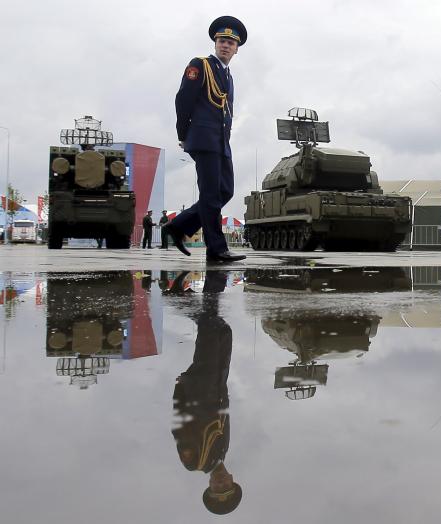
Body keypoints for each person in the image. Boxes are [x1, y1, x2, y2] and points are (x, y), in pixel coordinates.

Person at [162, 15, 248, 263]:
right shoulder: (200, 65)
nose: (225, 46)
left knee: (225, 191)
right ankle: (216, 249)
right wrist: (183, 134)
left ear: (236, 49)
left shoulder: (228, 76)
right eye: (222, 40)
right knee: (211, 194)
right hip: (202, 138)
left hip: (221, 141)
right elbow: (183, 100)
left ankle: (178, 226)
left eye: (231, 43)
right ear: (215, 42)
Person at [171, 271, 243, 514]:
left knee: (211, 328)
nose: (222, 483)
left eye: (217, 488)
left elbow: (179, 427)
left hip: (201, 385)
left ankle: (215, 278)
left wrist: (180, 390)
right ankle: (181, 296)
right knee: (222, 331)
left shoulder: (195, 462)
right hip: (218, 383)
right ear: (232, 480)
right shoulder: (223, 452)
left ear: (210, 485)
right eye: (227, 486)